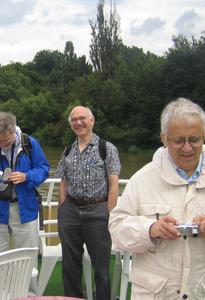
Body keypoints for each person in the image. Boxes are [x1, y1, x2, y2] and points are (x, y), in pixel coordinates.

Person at [109, 98, 205, 300]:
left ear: (204, 136)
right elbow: (117, 231)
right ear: (164, 138)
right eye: (178, 140)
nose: (187, 148)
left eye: (194, 139)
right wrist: (150, 230)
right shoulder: (141, 180)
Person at [56, 105, 121, 300]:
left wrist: (109, 212)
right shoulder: (68, 150)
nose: (78, 122)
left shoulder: (106, 148)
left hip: (98, 211)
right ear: (71, 125)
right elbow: (63, 182)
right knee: (69, 265)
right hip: (71, 211)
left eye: (82, 118)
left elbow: (114, 183)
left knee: (101, 268)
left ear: (92, 120)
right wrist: (62, 208)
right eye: (74, 120)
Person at [0, 112, 49, 255]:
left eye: (5, 141)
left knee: (26, 256)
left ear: (13, 131)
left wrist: (27, 176)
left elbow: (43, 169)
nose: (1, 144)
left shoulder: (29, 143)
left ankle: (26, 279)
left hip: (25, 208)